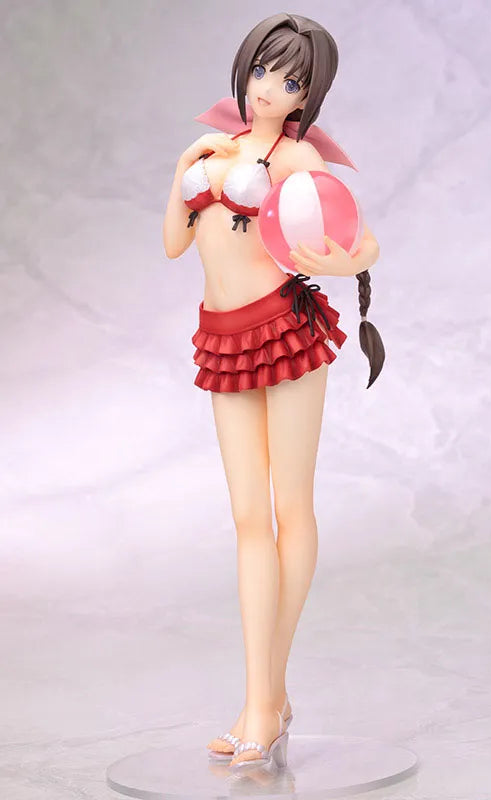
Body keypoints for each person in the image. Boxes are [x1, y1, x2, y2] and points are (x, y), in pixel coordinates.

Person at [163, 12, 382, 771]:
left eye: (291, 81)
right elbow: (174, 243)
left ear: (308, 95)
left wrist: (337, 259)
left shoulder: (296, 158)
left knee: (292, 510)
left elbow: (361, 240)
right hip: (222, 339)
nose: (269, 89)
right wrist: (185, 165)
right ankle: (269, 699)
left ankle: (262, 702)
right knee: (248, 519)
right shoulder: (214, 149)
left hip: (285, 334)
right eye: (262, 70)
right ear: (244, 68)